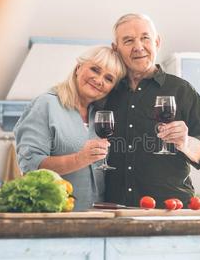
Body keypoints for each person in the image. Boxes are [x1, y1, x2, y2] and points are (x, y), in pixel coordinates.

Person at [105, 13, 200, 207]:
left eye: (145, 38)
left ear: (157, 42)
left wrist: (185, 143)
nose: (138, 46)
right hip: (115, 211)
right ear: (115, 49)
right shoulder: (107, 92)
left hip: (170, 210)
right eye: (128, 40)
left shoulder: (181, 90)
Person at [14, 46, 126, 210]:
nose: (99, 80)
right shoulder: (46, 104)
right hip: (55, 215)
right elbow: (30, 166)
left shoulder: (100, 116)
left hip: (97, 219)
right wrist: (79, 159)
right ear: (78, 68)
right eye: (95, 70)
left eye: (109, 79)